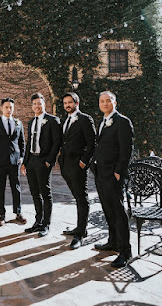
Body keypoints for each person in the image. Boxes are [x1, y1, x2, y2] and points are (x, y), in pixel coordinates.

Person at [92, 91, 134, 268]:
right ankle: (113, 242)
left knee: (118, 212)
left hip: (113, 175)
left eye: (108, 100)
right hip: (101, 173)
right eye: (102, 101)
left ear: (115, 103)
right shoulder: (102, 121)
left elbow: (126, 150)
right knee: (107, 210)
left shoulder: (123, 122)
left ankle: (125, 251)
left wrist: (118, 171)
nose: (105, 103)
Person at [59, 92, 96, 249]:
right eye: (65, 103)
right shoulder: (65, 120)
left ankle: (80, 233)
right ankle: (79, 227)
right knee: (77, 197)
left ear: (77, 103)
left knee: (82, 198)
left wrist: (83, 162)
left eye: (70, 102)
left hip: (78, 166)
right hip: (66, 165)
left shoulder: (85, 119)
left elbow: (92, 143)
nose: (67, 105)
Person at [22, 93, 61, 237]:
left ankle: (46, 224)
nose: (37, 106)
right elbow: (28, 143)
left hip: (43, 161)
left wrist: (49, 161)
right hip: (31, 160)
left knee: (45, 193)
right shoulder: (31, 122)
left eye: (39, 103)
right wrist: (24, 163)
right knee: (34, 192)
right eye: (34, 104)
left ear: (44, 104)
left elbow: (57, 142)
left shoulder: (52, 120)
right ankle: (37, 221)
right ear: (32, 106)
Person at [0, 97, 26, 226]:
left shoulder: (18, 123)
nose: (9, 109)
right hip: (0, 161)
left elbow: (22, 142)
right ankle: (1, 215)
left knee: (16, 187)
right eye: (6, 107)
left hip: (15, 161)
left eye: (11, 107)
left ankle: (18, 212)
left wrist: (22, 157)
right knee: (0, 188)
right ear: (1, 108)